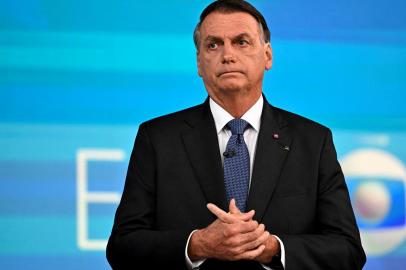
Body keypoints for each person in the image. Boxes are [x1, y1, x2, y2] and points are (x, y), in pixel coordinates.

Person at [106, 0, 366, 269]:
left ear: (267, 56)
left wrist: (274, 248)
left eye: (241, 42)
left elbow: (348, 251)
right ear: (199, 62)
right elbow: (122, 247)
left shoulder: (313, 141)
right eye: (213, 44)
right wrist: (197, 245)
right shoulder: (157, 139)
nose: (227, 55)